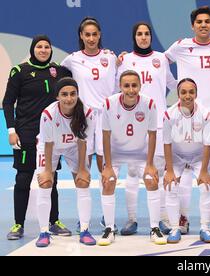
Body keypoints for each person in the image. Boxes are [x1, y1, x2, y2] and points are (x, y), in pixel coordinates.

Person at [165, 6, 210, 234]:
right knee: (185, 168)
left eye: (207, 22)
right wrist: (171, 86)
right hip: (188, 111)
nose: (203, 25)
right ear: (192, 26)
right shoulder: (181, 46)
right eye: (199, 22)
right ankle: (182, 218)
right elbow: (158, 62)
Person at [3, 35, 72, 240]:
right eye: (40, 47)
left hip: (51, 135)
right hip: (26, 133)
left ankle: (54, 221)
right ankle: (18, 224)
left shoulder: (58, 70)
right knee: (23, 179)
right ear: (33, 49)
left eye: (47, 47)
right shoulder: (19, 71)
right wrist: (11, 130)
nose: (43, 50)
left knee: (51, 179)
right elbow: (8, 103)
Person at [115, 21, 177, 236]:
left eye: (147, 33)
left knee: (156, 173)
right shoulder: (125, 61)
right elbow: (116, 88)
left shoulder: (161, 59)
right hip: (132, 125)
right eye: (139, 34)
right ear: (135, 37)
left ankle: (162, 219)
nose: (143, 37)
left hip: (157, 124)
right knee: (132, 172)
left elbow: (173, 84)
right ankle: (132, 219)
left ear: (151, 36)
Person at [99, 70, 166, 246]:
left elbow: (152, 135)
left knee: (152, 180)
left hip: (140, 152)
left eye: (134, 85)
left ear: (140, 86)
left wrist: (150, 164)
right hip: (116, 152)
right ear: (120, 87)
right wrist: (108, 165)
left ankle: (154, 228)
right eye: (126, 86)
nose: (130, 90)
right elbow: (105, 135)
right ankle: (109, 228)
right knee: (108, 181)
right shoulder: (109, 104)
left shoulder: (149, 103)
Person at [34, 78, 96, 247]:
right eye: (64, 94)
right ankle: (44, 231)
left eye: (73, 94)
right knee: (45, 183)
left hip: (74, 147)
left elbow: (83, 141)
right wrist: (47, 170)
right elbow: (47, 143)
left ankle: (84, 229)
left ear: (77, 94)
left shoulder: (87, 113)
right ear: (57, 96)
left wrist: (83, 168)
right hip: (50, 147)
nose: (69, 98)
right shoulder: (48, 114)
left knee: (83, 182)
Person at [61, 17, 117, 200]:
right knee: (81, 167)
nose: (91, 38)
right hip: (82, 117)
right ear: (81, 36)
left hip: (105, 117)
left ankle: (106, 215)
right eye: (87, 35)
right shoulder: (73, 59)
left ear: (99, 35)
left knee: (105, 165)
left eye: (94, 34)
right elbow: (59, 79)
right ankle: (83, 215)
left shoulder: (110, 57)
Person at [163, 78, 210, 244]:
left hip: (199, 156)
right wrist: (170, 170)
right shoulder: (169, 115)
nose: (187, 96)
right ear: (178, 94)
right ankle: (174, 228)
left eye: (191, 92)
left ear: (196, 94)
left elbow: (208, 144)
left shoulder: (206, 114)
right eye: (183, 92)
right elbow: (167, 143)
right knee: (171, 185)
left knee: (205, 186)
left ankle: (205, 227)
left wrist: (204, 171)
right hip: (177, 156)